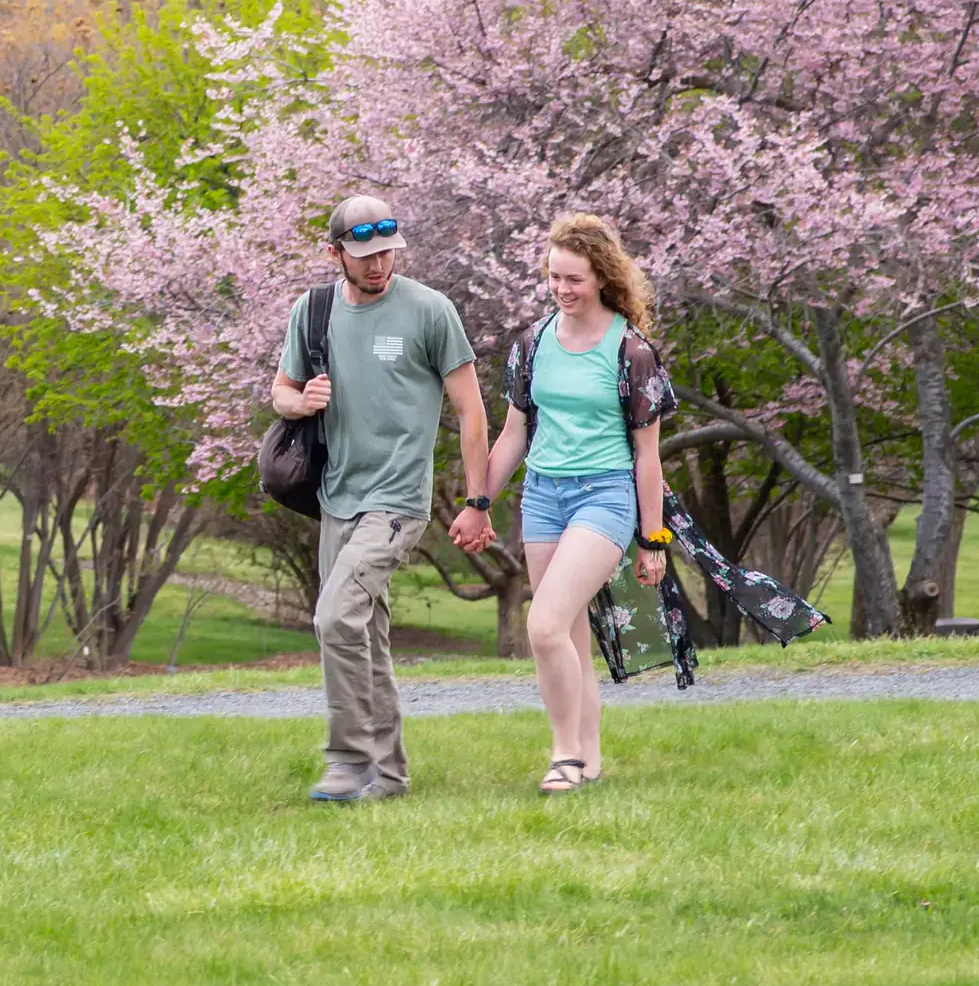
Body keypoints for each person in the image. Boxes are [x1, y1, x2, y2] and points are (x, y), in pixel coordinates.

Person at [273, 195, 493, 802]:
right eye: (365, 255)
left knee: (334, 616)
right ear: (335, 253)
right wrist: (301, 402)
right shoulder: (313, 312)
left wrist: (478, 501)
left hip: (397, 501)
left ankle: (346, 759)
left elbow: (471, 410)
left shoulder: (430, 311)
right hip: (336, 497)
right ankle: (389, 777)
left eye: (388, 253)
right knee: (363, 634)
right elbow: (281, 392)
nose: (379, 265)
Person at [477, 214, 678, 794]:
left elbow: (647, 455)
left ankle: (562, 754)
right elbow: (515, 432)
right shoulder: (533, 342)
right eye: (554, 277)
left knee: (542, 626)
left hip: (605, 495)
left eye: (574, 279)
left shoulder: (632, 351)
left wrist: (652, 537)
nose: (562, 289)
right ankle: (588, 758)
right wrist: (478, 500)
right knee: (567, 634)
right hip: (543, 496)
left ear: (602, 278)